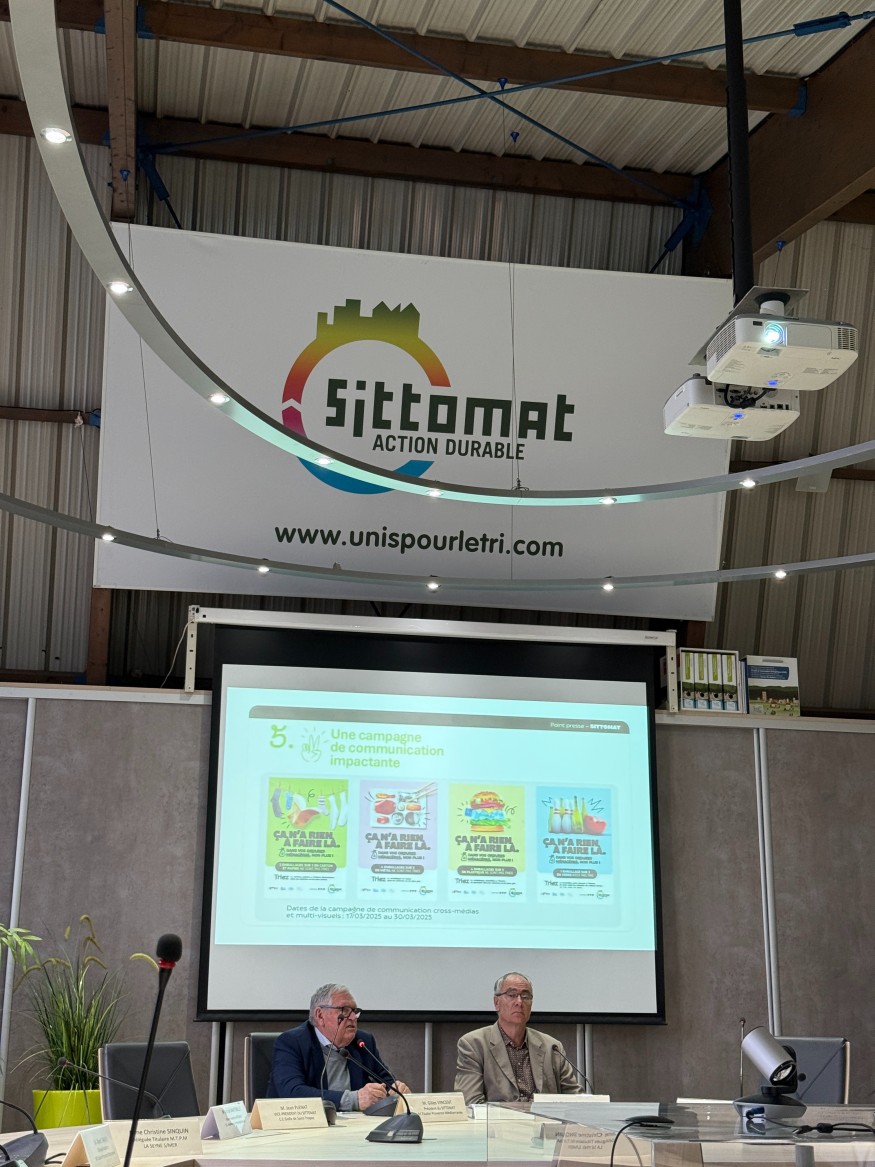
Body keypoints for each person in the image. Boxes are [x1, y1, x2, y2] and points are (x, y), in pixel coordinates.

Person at [267, 982, 410, 1111]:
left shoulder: (362, 1041)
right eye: (344, 1010)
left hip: (353, 1125)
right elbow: (292, 1092)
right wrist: (353, 1100)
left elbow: (386, 1081)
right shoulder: (291, 1042)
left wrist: (396, 1091)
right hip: (301, 1125)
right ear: (320, 1015)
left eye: (354, 1011)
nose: (353, 1018)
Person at [454, 972, 584, 1104]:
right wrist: (523, 1111)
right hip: (499, 1118)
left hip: (546, 1117)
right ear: (496, 1002)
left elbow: (576, 1099)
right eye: (512, 995)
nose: (519, 1002)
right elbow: (471, 1102)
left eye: (525, 996)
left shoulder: (552, 1047)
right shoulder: (474, 1045)